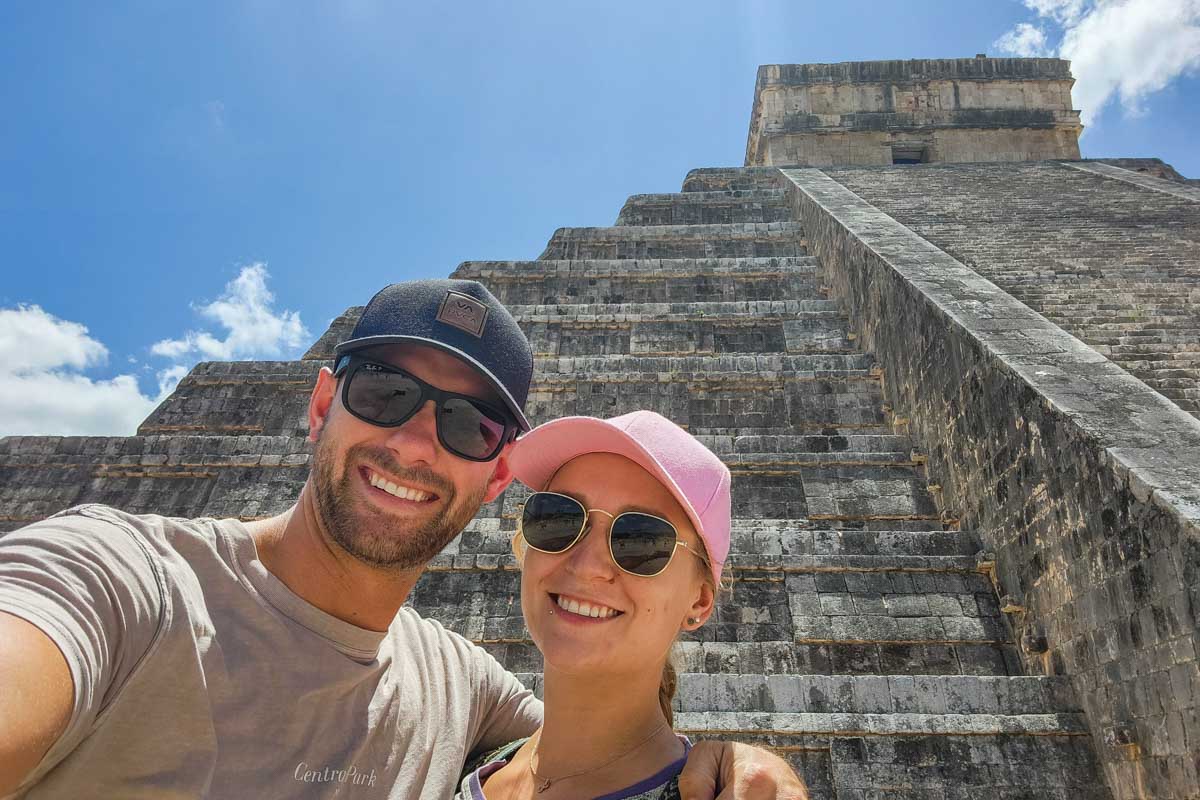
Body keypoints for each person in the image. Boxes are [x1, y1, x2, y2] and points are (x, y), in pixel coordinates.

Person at [0, 279, 808, 799]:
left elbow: (601, 734)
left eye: (467, 423)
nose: (417, 444)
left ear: (496, 475)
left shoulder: (457, 686)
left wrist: (737, 766)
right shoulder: (117, 579)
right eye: (385, 392)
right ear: (323, 404)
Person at [457, 410, 746, 800]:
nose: (586, 566)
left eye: (641, 540)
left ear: (699, 600)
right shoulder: (471, 763)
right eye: (559, 518)